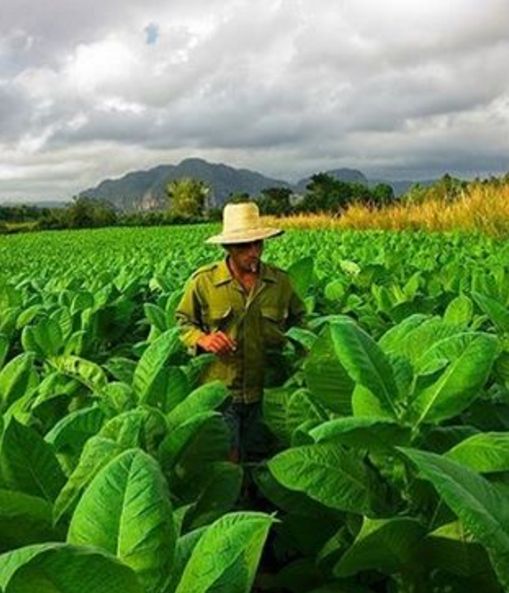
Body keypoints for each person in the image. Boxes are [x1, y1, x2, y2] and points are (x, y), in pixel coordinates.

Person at [175, 201, 306, 463]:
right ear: (228, 248)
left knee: (263, 462)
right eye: (244, 246)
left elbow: (301, 322)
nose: (253, 252)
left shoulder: (280, 282)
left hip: (267, 390)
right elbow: (182, 323)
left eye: (258, 243)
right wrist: (203, 339)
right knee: (228, 463)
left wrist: (303, 362)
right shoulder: (204, 282)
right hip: (222, 392)